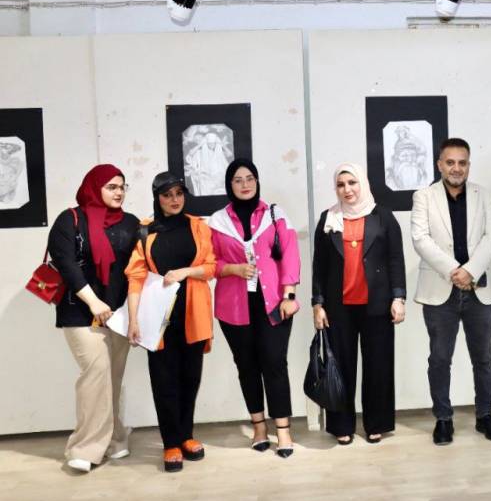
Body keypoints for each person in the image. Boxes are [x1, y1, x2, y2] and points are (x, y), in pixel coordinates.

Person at [411, 138, 491, 445]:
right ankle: (443, 418)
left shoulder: (483, 195)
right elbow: (420, 239)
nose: (456, 168)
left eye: (462, 163)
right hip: (441, 290)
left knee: (484, 358)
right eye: (450, 162)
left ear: (468, 165)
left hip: (479, 289)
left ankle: (485, 415)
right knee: (440, 359)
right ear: (440, 165)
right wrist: (455, 270)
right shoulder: (424, 196)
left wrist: (470, 271)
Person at [48, 165, 139, 473]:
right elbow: (66, 264)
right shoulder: (70, 220)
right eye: (111, 186)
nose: (119, 192)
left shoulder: (131, 223)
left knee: (112, 378)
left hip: (119, 313)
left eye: (122, 186)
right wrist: (94, 301)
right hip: (80, 310)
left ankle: (115, 437)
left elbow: (137, 268)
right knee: (96, 373)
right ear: (94, 187)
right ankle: (85, 447)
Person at [125, 172, 216, 472]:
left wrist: (185, 272)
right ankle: (171, 443)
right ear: (157, 198)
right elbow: (136, 277)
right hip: (158, 319)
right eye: (167, 195)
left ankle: (186, 435)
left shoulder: (198, 226)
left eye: (179, 193)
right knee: (164, 381)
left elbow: (211, 267)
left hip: (193, 313)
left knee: (191, 378)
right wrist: (133, 320)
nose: (175, 200)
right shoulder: (145, 231)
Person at [209, 159, 301, 457]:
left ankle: (283, 430)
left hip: (273, 302)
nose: (245, 184)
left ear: (257, 181)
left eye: (250, 178)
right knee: (247, 367)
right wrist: (232, 269)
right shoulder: (217, 222)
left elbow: (290, 253)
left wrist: (289, 294)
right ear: (229, 185)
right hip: (233, 306)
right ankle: (259, 427)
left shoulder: (275, 215)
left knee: (275, 363)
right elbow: (209, 261)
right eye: (238, 180)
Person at [312, 163, 406, 444]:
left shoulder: (383, 216)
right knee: (340, 367)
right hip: (338, 307)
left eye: (352, 183)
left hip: (377, 305)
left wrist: (398, 297)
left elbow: (395, 259)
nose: (347, 189)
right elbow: (319, 265)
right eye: (341, 185)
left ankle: (377, 423)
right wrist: (318, 303)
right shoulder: (328, 218)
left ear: (362, 183)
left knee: (378, 366)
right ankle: (341, 426)